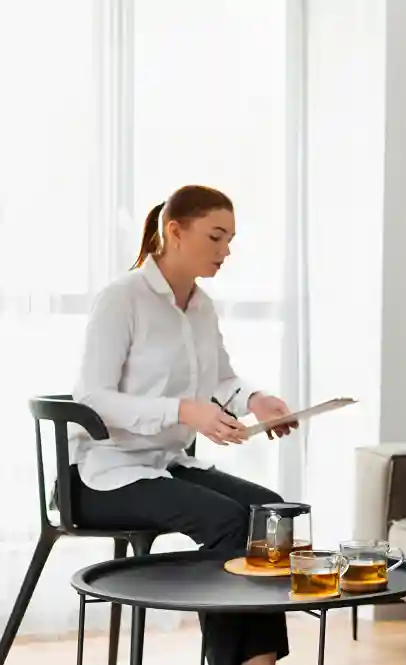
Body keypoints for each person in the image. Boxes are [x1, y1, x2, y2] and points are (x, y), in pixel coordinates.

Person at [70, 185, 299, 665]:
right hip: (104, 474)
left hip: (166, 464)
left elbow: (221, 378)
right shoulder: (122, 298)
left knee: (272, 511)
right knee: (228, 521)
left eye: (230, 239)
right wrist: (182, 410)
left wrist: (256, 400)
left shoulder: (201, 305)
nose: (226, 251)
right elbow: (92, 398)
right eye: (216, 237)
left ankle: (260, 659)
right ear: (174, 231)